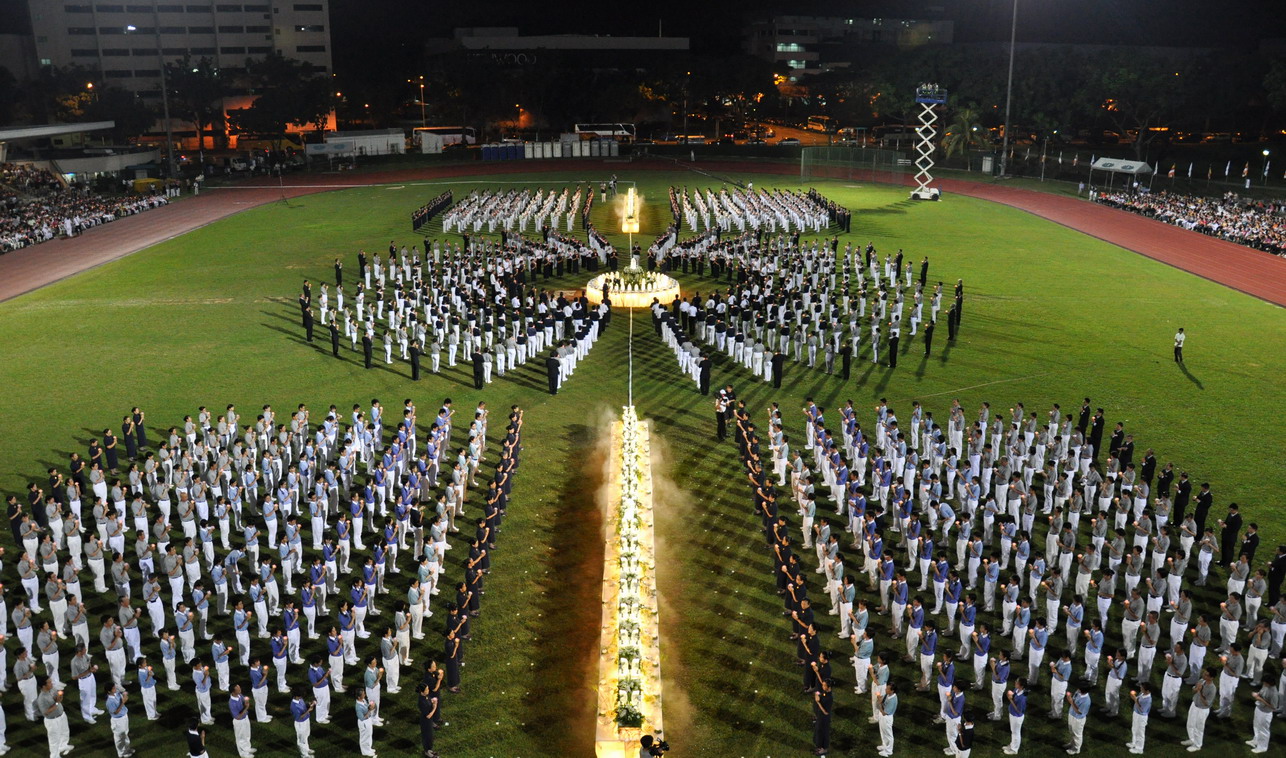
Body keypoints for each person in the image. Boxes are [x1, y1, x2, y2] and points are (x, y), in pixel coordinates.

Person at [37, 676, 73, 757]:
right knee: (54, 740)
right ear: (43, 686)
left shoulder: (52, 689)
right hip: (52, 721)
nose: (51, 683)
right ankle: (54, 756)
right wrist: (56, 703)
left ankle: (63, 746)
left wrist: (60, 696)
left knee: (65, 732)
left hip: (62, 715)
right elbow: (45, 712)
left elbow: (58, 699)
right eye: (49, 682)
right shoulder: (41, 698)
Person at [106, 682, 134, 758]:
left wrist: (125, 694)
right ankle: (121, 753)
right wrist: (123, 702)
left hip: (124, 716)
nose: (115, 689)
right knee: (119, 737)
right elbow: (115, 712)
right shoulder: (109, 702)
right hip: (118, 721)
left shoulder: (116, 693)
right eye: (113, 688)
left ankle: (127, 749)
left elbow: (123, 694)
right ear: (109, 691)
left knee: (125, 734)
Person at [1126, 682, 1151, 754]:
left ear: (1147, 691)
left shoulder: (1148, 700)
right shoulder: (1142, 693)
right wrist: (1134, 697)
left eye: (1142, 688)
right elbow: (1138, 699)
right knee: (1134, 729)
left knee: (1140, 733)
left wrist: (1135, 700)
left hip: (1141, 717)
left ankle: (1139, 749)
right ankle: (1134, 743)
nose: (1140, 689)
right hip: (1136, 714)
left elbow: (1142, 710)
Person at [229, 683, 253, 758]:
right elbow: (237, 717)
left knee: (247, 734)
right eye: (238, 689)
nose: (240, 689)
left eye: (239, 687)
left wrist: (246, 702)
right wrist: (246, 707)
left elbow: (244, 701)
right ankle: (243, 754)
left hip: (245, 717)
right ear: (233, 692)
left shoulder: (239, 695)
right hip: (239, 721)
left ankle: (247, 748)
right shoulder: (232, 703)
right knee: (241, 738)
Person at [418, 680, 440, 758]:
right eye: (426, 690)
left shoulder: (426, 696)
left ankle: (430, 749)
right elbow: (428, 715)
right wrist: (435, 706)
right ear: (422, 692)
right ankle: (427, 751)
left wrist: (432, 701)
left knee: (430, 736)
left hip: (428, 721)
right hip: (425, 721)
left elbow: (428, 701)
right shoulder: (421, 701)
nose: (428, 690)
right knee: (427, 736)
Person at [290, 689, 315, 758]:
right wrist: (308, 711)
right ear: (296, 696)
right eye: (300, 696)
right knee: (302, 740)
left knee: (306, 735)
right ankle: (304, 755)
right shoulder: (294, 706)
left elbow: (303, 705)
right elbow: (299, 717)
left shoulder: (300, 699)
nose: (301, 697)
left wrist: (309, 704)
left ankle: (306, 749)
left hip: (306, 720)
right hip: (300, 724)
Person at [812, 676, 832, 755]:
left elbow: (825, 712)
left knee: (824, 732)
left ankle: (824, 749)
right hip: (820, 716)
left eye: (824, 685)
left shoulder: (829, 698)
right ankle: (819, 746)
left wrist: (818, 702)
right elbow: (821, 695)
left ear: (828, 687)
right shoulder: (825, 692)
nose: (823, 686)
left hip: (824, 717)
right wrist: (817, 694)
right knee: (819, 730)